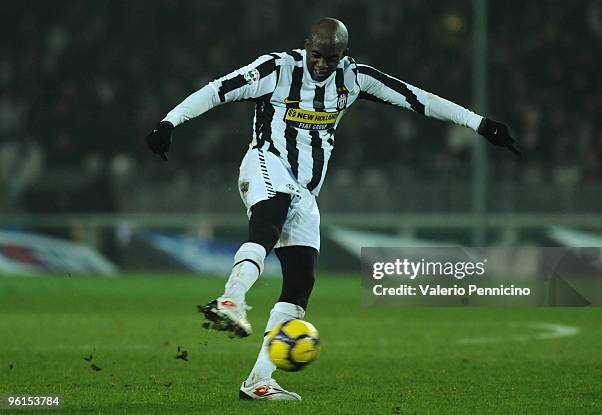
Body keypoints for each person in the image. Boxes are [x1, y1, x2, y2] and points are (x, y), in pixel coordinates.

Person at [146, 17, 520, 401]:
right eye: (318, 54)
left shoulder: (354, 78)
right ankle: (231, 300)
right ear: (306, 44)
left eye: (332, 57)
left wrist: (480, 124)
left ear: (343, 55)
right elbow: (218, 89)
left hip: (306, 192)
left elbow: (417, 98)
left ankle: (258, 380)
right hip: (266, 162)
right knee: (267, 224)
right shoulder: (277, 69)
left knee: (300, 282)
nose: (323, 63)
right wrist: (169, 122)